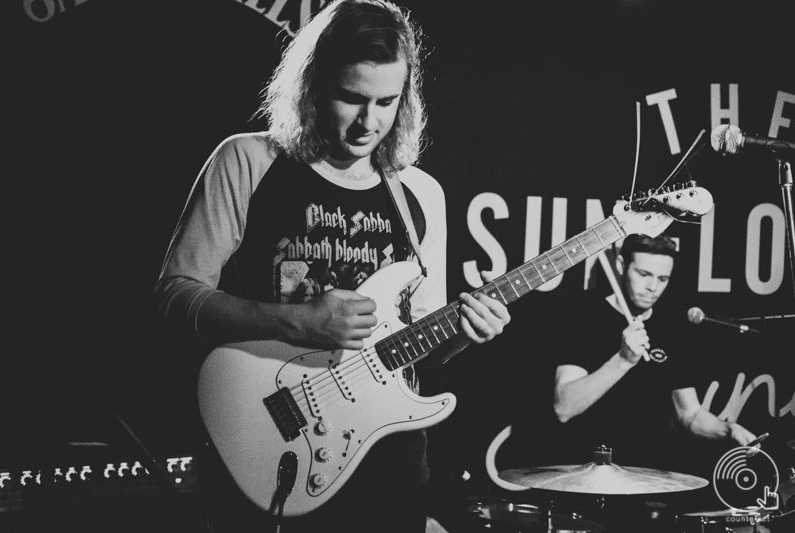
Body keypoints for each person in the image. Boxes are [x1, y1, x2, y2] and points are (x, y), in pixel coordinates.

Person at [154, 1, 510, 532]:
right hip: (272, 446)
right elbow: (175, 296)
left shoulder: (419, 193)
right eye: (352, 98)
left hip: (390, 471)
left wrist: (465, 332)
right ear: (314, 85)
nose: (370, 122)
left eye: (387, 102)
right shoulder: (250, 161)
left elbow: (424, 345)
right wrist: (297, 320)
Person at [552, 233, 755, 470]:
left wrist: (728, 430)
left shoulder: (671, 328)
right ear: (621, 265)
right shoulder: (585, 318)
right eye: (644, 274)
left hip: (646, 473)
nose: (652, 288)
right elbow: (564, 408)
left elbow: (689, 414)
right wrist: (623, 360)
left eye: (663, 279)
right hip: (584, 469)